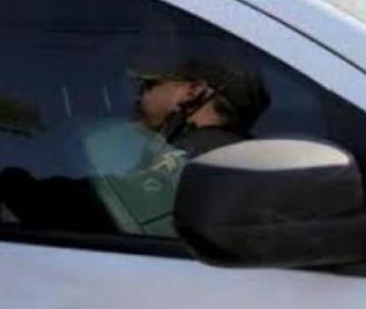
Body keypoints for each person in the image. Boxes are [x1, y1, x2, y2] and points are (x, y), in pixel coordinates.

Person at [94, 58, 271, 235]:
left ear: (193, 91)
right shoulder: (244, 154)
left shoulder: (190, 159)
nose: (140, 97)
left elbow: (117, 208)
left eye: (149, 86)